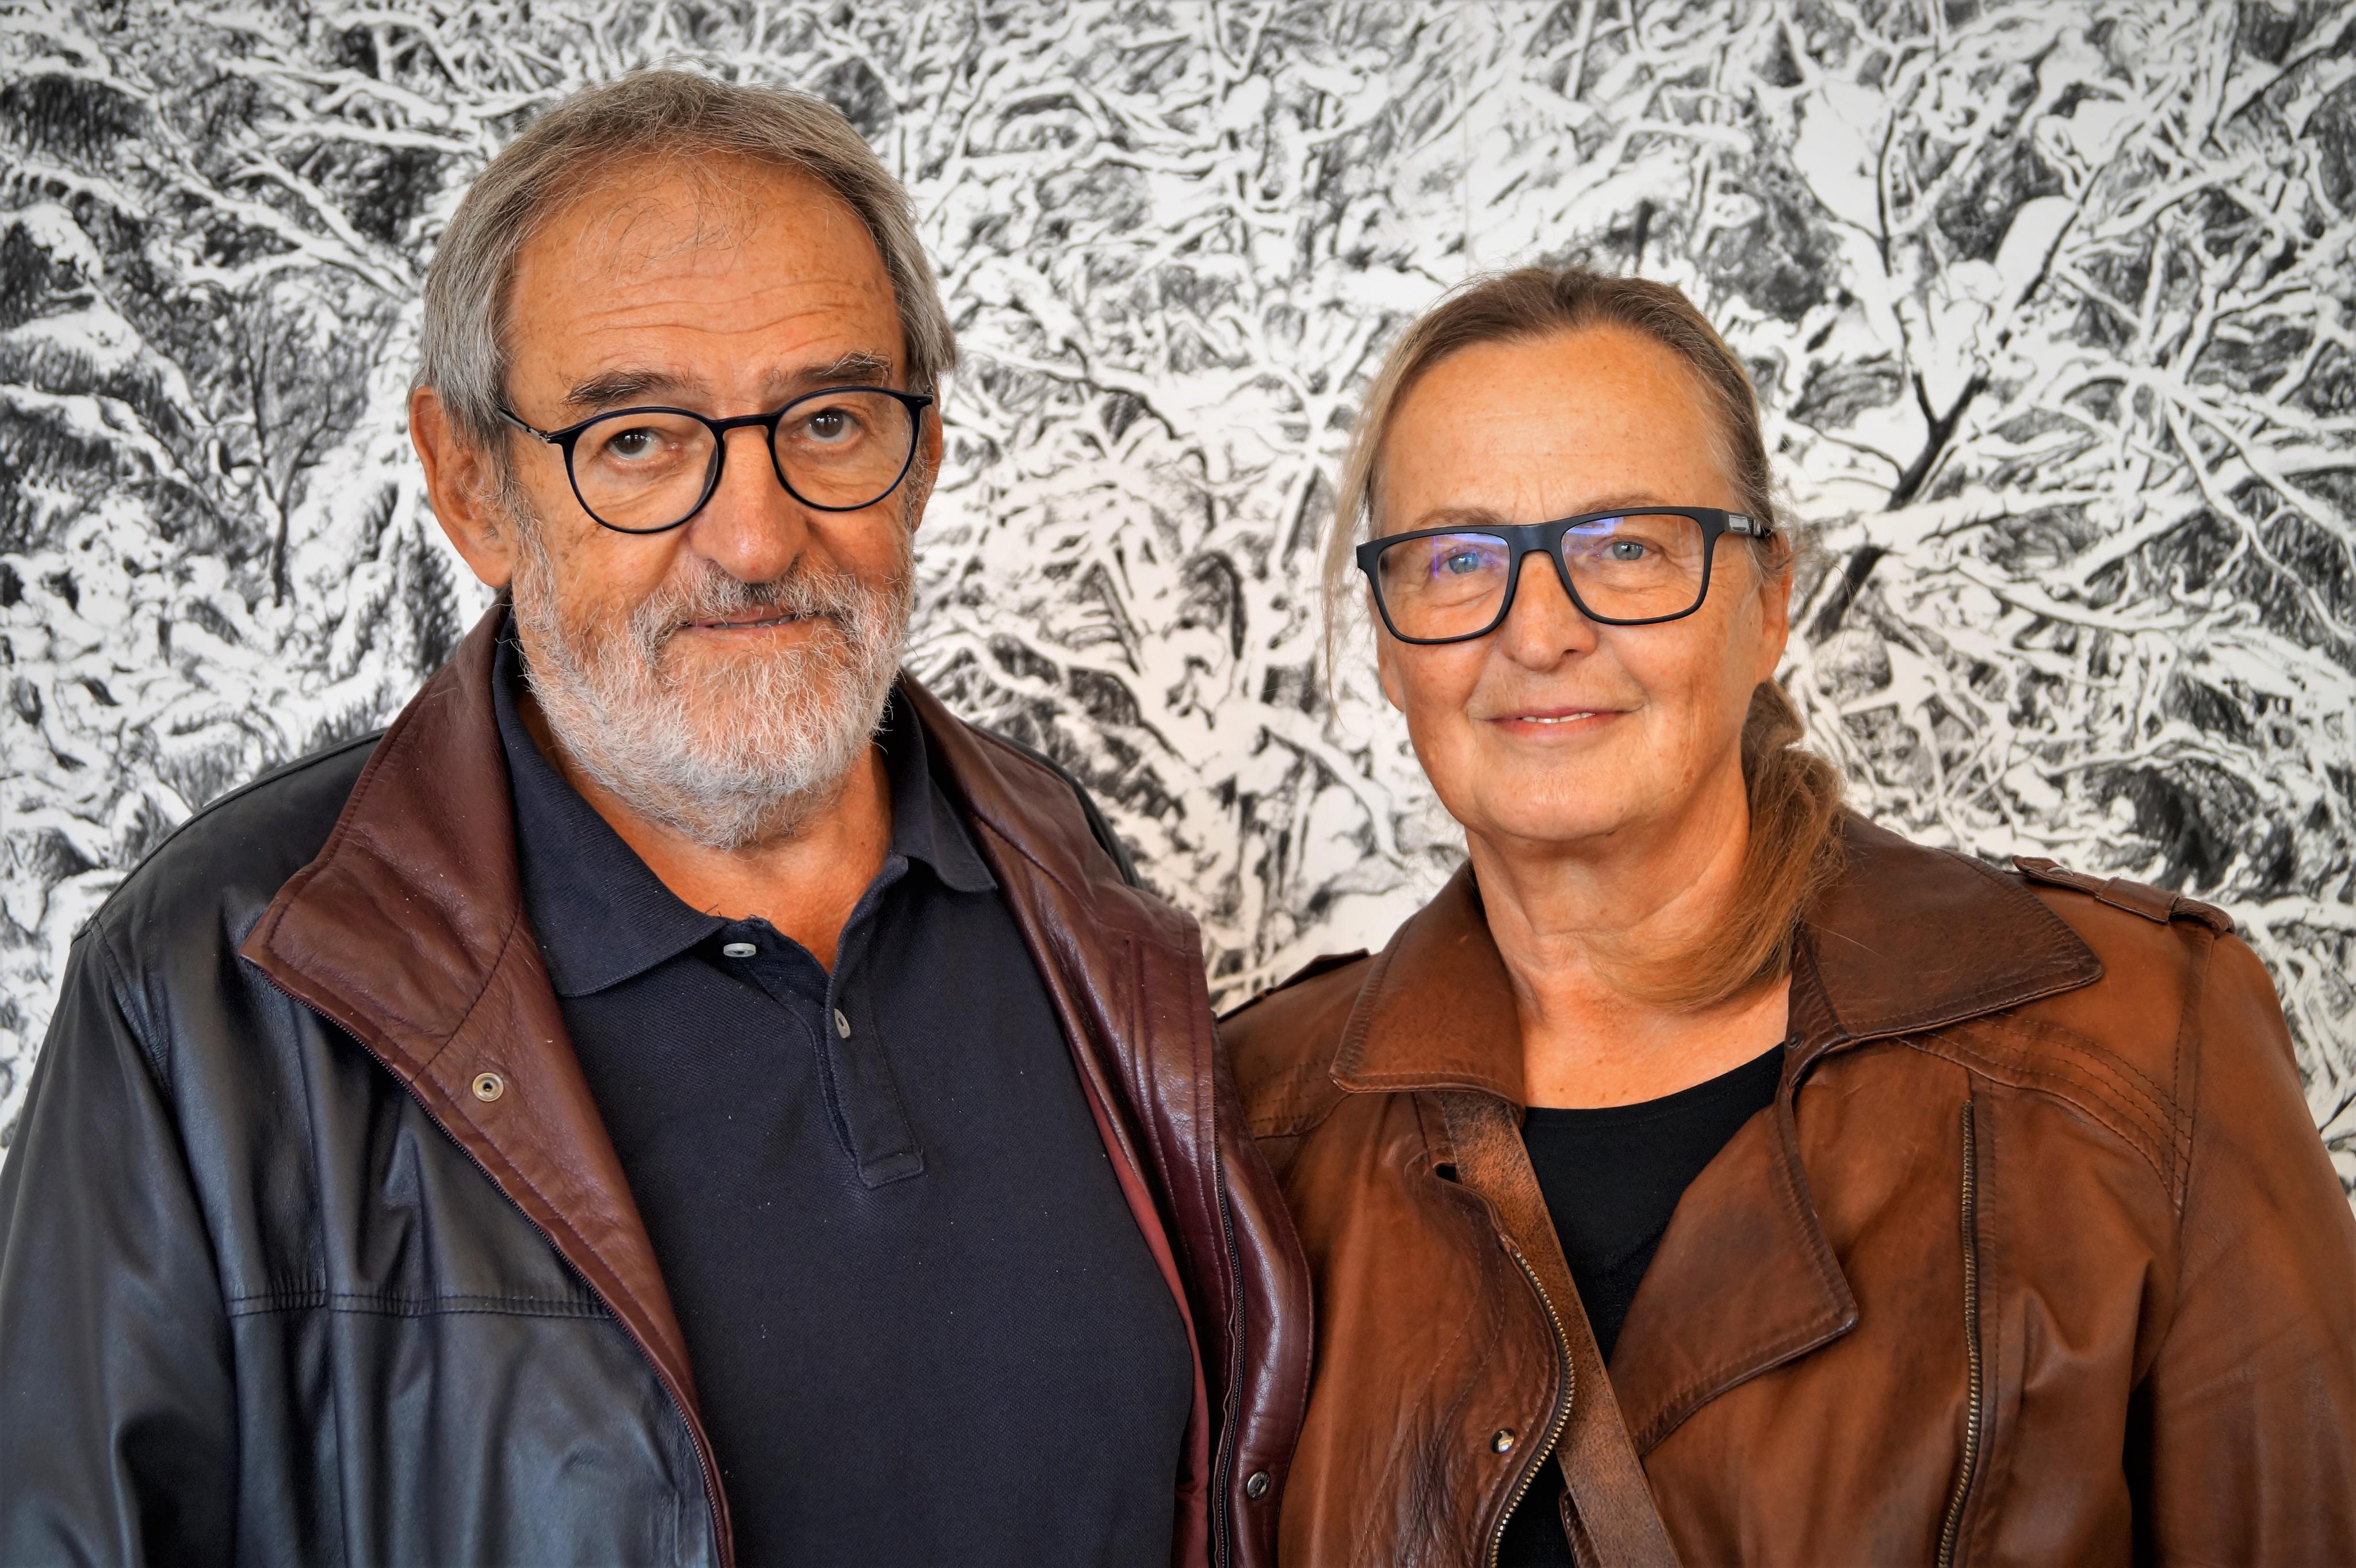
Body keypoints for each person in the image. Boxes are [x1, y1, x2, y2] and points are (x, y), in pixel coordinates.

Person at [0, 72, 1308, 1568]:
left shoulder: (1065, 879)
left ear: (925, 454)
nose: (753, 535)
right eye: (636, 439)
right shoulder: (217, 984)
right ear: (470, 484)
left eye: (829, 419)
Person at [1219, 265, 2356, 1566]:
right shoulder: (1255, 1124)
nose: (1537, 632)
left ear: (1767, 602)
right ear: (1387, 637)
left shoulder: (2140, 1041)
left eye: (1626, 546)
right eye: (1457, 559)